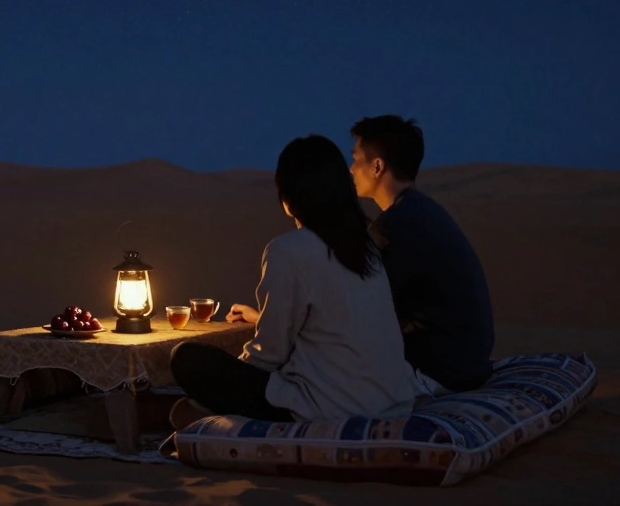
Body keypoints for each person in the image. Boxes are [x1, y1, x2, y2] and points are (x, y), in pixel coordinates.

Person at [169, 135, 425, 428]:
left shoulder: (288, 250)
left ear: (289, 199)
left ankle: (211, 412)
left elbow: (270, 353)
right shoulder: (367, 247)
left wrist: (236, 378)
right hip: (392, 402)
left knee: (186, 358)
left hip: (332, 408)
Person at [349, 115, 495, 393]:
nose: (351, 169)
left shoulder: (394, 227)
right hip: (466, 364)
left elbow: (362, 311)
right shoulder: (423, 211)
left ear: (377, 166)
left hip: (439, 372)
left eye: (356, 159)